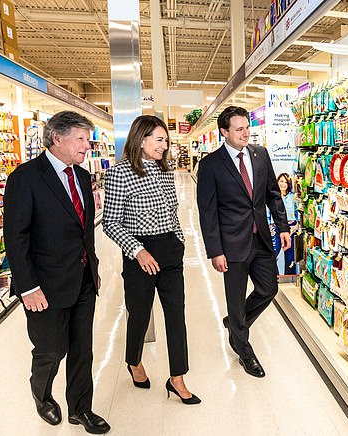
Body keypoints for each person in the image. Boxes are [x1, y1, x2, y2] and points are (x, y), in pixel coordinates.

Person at [4, 111, 111, 434]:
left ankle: (81, 408)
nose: (87, 145)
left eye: (88, 139)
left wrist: (92, 266)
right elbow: (16, 237)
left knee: (82, 349)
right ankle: (41, 394)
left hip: (82, 280)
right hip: (44, 286)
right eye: (80, 138)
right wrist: (27, 287)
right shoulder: (25, 177)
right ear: (57, 138)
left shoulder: (80, 176)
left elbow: (84, 231)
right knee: (51, 350)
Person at [102, 115, 200, 405]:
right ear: (141, 139)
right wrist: (137, 250)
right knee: (140, 313)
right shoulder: (120, 173)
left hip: (169, 250)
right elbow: (110, 221)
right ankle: (134, 361)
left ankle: (177, 378)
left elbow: (172, 210)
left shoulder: (164, 170)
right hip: (139, 254)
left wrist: (179, 239)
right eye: (159, 139)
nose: (165, 145)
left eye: (166, 140)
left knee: (176, 314)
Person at [197, 106, 290, 378]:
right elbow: (208, 211)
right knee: (235, 299)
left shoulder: (260, 155)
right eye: (239, 129)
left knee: (268, 288)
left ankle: (236, 325)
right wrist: (215, 250)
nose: (245, 133)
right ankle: (244, 350)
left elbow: (273, 194)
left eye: (247, 127)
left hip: (260, 238)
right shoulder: (211, 164)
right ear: (224, 132)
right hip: (231, 244)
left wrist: (282, 226)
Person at [277, 173, 300, 275]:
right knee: (273, 255)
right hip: (276, 227)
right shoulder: (273, 197)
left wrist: (297, 226)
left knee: (290, 256)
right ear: (277, 182)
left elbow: (299, 212)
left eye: (286, 182)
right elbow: (268, 213)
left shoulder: (292, 197)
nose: (283, 184)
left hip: (291, 227)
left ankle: (289, 276)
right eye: (281, 181)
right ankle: (274, 277)